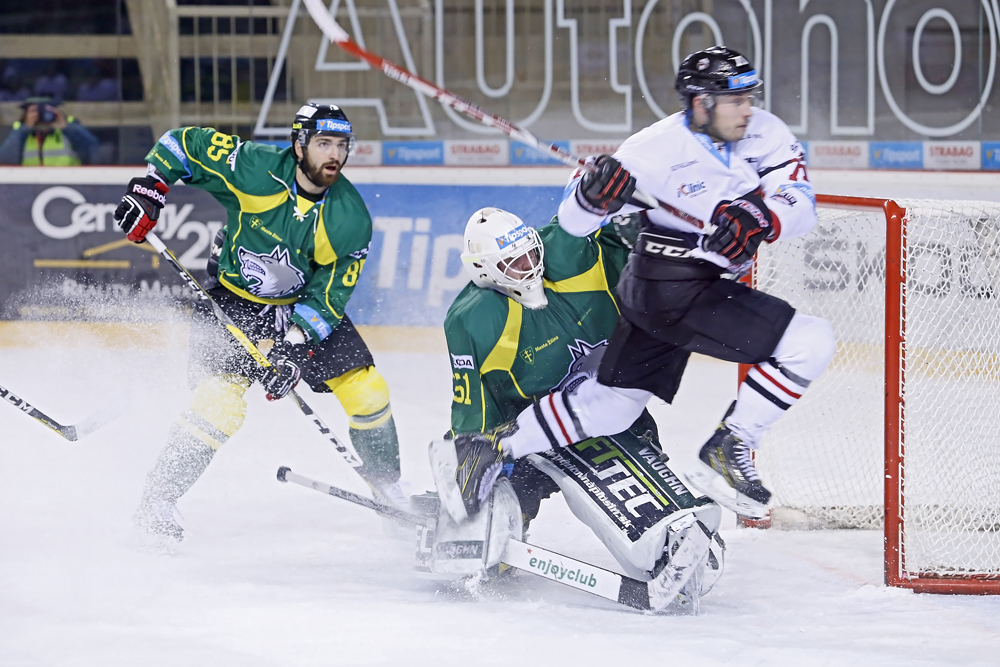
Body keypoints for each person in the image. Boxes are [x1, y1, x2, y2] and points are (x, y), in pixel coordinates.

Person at [548, 45, 836, 518]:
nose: (748, 108)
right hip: (670, 285)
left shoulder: (765, 132)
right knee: (808, 341)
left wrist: (762, 216)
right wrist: (592, 196)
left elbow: (801, 203)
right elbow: (574, 222)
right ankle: (730, 444)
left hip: (687, 289)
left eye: (750, 97)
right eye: (736, 100)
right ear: (703, 102)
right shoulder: (652, 149)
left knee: (613, 403)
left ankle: (507, 444)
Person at [117, 103, 406, 542]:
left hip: (299, 306)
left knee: (368, 390)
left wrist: (294, 347)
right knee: (218, 404)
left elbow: (328, 296)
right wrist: (150, 188)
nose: (334, 154)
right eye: (323, 143)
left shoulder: (350, 218)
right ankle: (156, 501)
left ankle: (389, 492)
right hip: (234, 300)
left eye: (341, 145)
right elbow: (181, 144)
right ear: (299, 145)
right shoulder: (253, 168)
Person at [428, 207, 723, 610]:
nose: (529, 266)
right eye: (514, 262)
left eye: (531, 253)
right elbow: (472, 405)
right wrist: (470, 457)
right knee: (493, 510)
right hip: (528, 432)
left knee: (623, 466)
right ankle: (496, 526)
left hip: (610, 416)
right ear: (483, 270)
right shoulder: (474, 319)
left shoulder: (570, 256)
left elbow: (617, 231)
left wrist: (644, 227)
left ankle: (669, 528)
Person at [0, 97, 99, 165]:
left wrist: (67, 128)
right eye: (34, 111)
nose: (40, 115)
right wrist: (25, 129)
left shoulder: (70, 127)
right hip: (31, 184)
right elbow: (5, 158)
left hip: (67, 183)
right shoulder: (21, 131)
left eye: (45, 110)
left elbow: (94, 152)